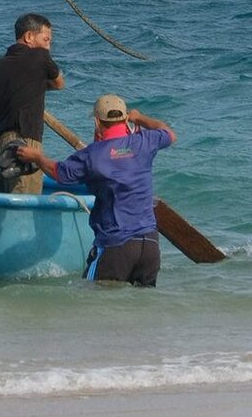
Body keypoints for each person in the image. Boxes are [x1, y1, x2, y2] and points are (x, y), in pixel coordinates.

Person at [16, 95, 175, 287]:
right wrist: (140, 118)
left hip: (116, 245)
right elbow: (168, 134)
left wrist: (38, 157)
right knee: (140, 309)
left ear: (97, 121)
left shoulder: (92, 156)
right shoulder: (144, 142)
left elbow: (59, 173)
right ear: (125, 119)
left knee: (93, 302)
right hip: (150, 245)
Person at [0, 12, 64, 194]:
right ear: (29, 36)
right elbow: (59, 83)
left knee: (5, 208)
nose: (48, 46)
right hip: (24, 147)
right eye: (46, 39)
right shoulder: (40, 57)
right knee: (24, 212)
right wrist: (40, 85)